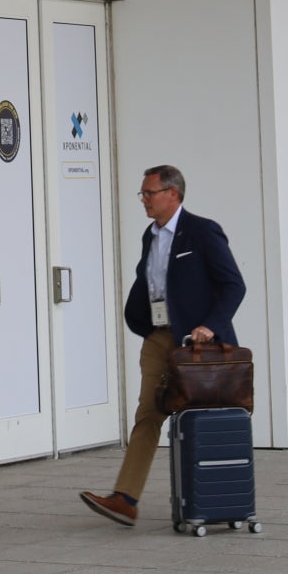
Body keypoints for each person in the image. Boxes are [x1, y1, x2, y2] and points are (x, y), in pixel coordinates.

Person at [78, 164, 245, 527]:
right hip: (158, 338)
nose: (144, 199)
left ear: (173, 194)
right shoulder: (150, 235)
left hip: (196, 346)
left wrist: (210, 326)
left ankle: (219, 497)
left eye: (149, 193)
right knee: (149, 413)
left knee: (203, 418)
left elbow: (234, 285)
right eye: (142, 193)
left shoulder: (202, 231)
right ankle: (125, 499)